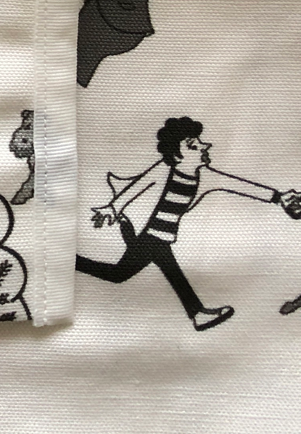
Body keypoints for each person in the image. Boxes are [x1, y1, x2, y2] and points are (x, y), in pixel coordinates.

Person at [76, 117, 299, 331]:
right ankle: (197, 313)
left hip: (159, 237)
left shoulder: (205, 177)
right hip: (148, 236)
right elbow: (136, 188)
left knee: (119, 274)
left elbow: (238, 185)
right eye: (193, 145)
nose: (204, 146)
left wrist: (278, 197)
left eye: (199, 142)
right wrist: (112, 208)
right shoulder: (164, 170)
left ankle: (70, 262)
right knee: (136, 272)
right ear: (177, 155)